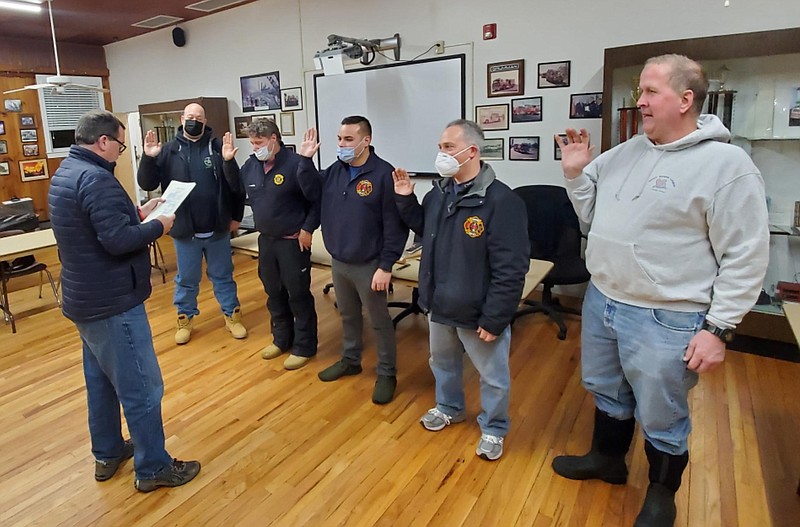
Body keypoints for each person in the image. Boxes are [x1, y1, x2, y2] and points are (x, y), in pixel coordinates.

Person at [551, 55, 769, 526]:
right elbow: (592, 216)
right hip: (604, 299)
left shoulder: (727, 165)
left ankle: (660, 494)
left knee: (662, 411)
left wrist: (719, 329)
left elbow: (746, 255)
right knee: (605, 389)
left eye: (650, 92)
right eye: (639, 92)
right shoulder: (628, 150)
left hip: (666, 316)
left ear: (686, 99)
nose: (640, 102)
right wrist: (575, 174)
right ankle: (607, 461)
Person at [48, 110, 201, 492]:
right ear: (102, 142)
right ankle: (152, 468)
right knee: (142, 387)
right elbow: (117, 242)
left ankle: (109, 451)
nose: (120, 151)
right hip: (112, 302)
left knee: (100, 382)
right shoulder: (97, 179)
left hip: (84, 300)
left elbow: (96, 225)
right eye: (119, 144)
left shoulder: (66, 173)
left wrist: (136, 212)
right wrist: (158, 225)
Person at [393, 119, 529, 461]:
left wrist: (496, 316)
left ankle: (494, 427)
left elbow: (511, 268)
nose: (442, 154)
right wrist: (407, 200)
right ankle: (449, 407)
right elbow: (425, 229)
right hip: (439, 302)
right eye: (440, 147)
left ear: (472, 152)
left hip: (477, 308)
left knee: (492, 375)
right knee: (442, 363)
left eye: (449, 147)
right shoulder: (439, 192)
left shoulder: (502, 201)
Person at [304, 116, 408, 404]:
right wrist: (305, 162)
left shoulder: (383, 174)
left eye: (348, 139)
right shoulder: (334, 172)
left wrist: (386, 265)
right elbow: (310, 193)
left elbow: (395, 225)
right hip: (340, 260)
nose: (341, 144)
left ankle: (387, 373)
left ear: (366, 141)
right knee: (348, 315)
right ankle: (350, 360)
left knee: (379, 321)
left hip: (370, 264)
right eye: (339, 138)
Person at [138, 103, 247, 345]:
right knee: (187, 279)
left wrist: (229, 162)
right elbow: (146, 183)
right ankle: (185, 318)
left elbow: (236, 187)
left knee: (223, 275)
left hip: (217, 228)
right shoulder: (168, 150)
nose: (193, 121)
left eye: (198, 117)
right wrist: (148, 157)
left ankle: (232, 315)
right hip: (185, 231)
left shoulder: (217, 147)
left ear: (205, 121)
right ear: (182, 118)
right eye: (190, 117)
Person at [221, 118, 321, 370]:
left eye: (259, 143)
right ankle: (281, 339)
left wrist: (308, 229)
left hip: (293, 241)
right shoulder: (252, 165)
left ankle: (304, 346)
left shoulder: (297, 163)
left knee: (297, 295)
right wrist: (228, 162)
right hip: (266, 240)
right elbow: (236, 189)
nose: (255, 148)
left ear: (274, 139)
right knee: (273, 292)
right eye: (252, 143)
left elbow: (316, 201)